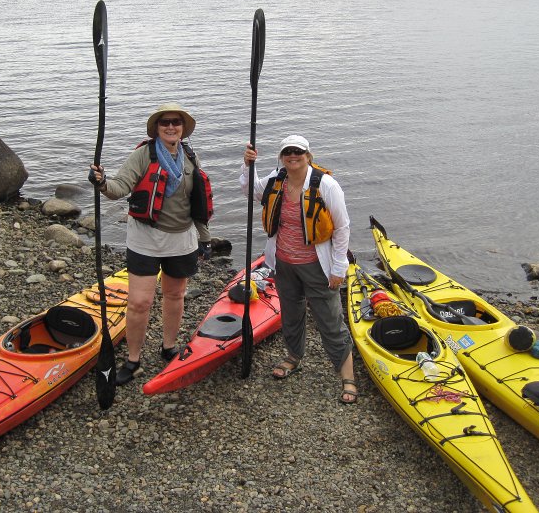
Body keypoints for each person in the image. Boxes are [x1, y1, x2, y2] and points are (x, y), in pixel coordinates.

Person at [89, 103, 212, 385]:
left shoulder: (190, 157)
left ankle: (168, 346)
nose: (171, 127)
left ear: (182, 129)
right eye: (165, 122)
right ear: (157, 128)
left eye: (176, 123)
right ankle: (133, 360)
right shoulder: (144, 154)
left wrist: (204, 239)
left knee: (174, 295)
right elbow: (119, 187)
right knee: (140, 302)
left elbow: (200, 202)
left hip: (182, 239)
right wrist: (102, 182)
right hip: (145, 238)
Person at [240, 135, 357, 403]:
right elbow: (251, 191)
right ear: (282, 157)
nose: (293, 156)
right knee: (291, 314)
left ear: (308, 155)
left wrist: (339, 267)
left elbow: (342, 227)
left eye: (298, 152)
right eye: (288, 152)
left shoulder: (325, 184)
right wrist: (248, 165)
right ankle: (294, 357)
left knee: (330, 321)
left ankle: (347, 376)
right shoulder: (276, 179)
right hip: (283, 263)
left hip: (317, 266)